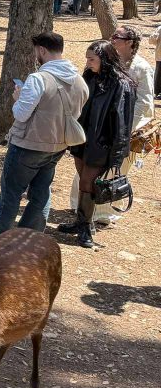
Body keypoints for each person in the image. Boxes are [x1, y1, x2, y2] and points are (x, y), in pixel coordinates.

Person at [0, 32, 88, 250]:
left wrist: (18, 98)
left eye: (36, 51)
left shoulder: (38, 79)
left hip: (28, 145)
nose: (35, 56)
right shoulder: (79, 80)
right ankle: (29, 239)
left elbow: (21, 114)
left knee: (11, 193)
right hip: (58, 145)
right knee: (41, 192)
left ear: (41, 50)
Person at [59, 40, 135, 248]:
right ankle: (81, 222)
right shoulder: (89, 77)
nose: (88, 62)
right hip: (82, 140)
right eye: (87, 58)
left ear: (105, 59)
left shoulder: (122, 84)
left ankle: (85, 228)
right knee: (84, 182)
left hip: (101, 144)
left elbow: (122, 123)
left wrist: (117, 154)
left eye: (91, 59)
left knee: (87, 183)